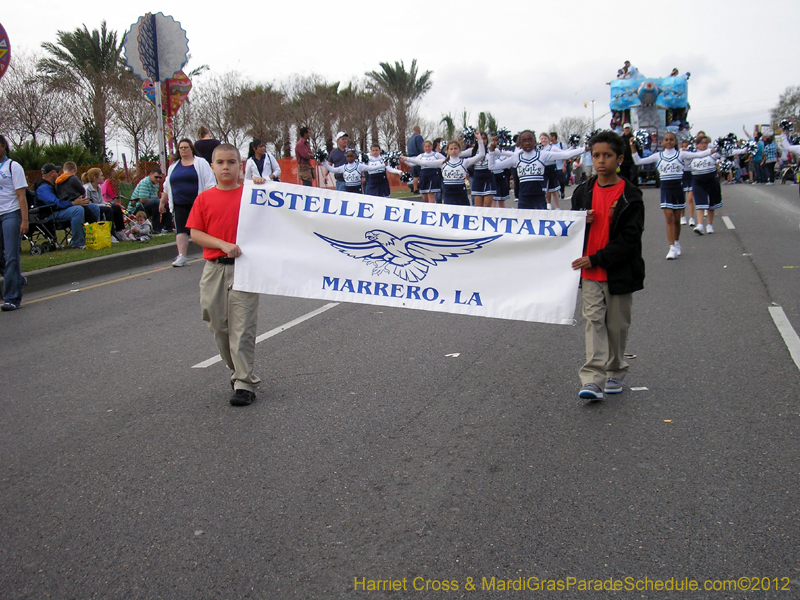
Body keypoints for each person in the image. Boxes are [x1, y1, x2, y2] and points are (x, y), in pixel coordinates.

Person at [571, 130, 645, 400]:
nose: (601, 161)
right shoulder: (583, 191)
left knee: (616, 325)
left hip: (619, 272)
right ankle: (592, 379)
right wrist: (581, 220)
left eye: (607, 155)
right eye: (596, 155)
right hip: (590, 273)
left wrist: (597, 258)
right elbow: (570, 226)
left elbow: (629, 239)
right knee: (593, 322)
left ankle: (615, 371)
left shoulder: (630, 195)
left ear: (620, 159)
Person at [186, 143, 261, 406]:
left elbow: (278, 213)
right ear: (212, 167)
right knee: (217, 325)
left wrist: (264, 187)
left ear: (241, 166)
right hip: (215, 269)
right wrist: (221, 244)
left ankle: (244, 382)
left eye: (231, 162)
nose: (226, 167)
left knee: (242, 328)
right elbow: (195, 233)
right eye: (220, 162)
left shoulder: (253, 194)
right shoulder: (204, 198)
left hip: (245, 270)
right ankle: (236, 370)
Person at [631, 131, 712, 259]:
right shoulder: (658, 156)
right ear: (663, 142)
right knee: (668, 218)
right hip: (665, 189)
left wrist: (712, 151)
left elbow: (698, 154)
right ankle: (672, 247)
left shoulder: (681, 154)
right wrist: (632, 146)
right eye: (666, 140)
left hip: (678, 188)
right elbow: (638, 161)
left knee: (676, 219)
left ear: (675, 142)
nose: (668, 142)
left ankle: (677, 242)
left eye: (671, 140)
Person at [488, 130, 583, 210]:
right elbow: (492, 166)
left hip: (540, 197)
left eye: (530, 140)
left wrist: (585, 148)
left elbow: (566, 155)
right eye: (524, 141)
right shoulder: (516, 158)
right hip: (524, 198)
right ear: (520, 143)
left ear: (535, 141)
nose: (527, 143)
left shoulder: (542, 155)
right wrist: (491, 151)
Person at [159, 139, 216, 267]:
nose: (183, 150)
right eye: (181, 148)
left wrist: (210, 200)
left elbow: (210, 182)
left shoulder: (200, 163)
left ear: (191, 148)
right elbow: (167, 186)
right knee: (181, 230)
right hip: (179, 203)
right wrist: (162, 202)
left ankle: (211, 253)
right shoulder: (174, 166)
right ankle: (182, 256)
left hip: (197, 203)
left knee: (203, 229)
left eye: (186, 147)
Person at [402, 137, 486, 206]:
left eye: (456, 149)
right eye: (451, 149)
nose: (453, 151)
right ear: (447, 150)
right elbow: (423, 162)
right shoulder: (443, 162)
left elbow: (481, 155)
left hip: (461, 191)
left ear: (459, 150)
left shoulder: (464, 162)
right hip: (448, 192)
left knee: (464, 211)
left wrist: (480, 140)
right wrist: (407, 159)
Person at [691, 136, 745, 234]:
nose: (704, 145)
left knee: (711, 204)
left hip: (711, 181)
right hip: (698, 182)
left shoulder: (712, 154)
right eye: (701, 142)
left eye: (706, 143)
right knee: (699, 204)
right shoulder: (692, 154)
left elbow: (729, 152)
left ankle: (710, 225)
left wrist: (744, 150)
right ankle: (700, 225)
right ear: (697, 144)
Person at [0, 134, 29, 311]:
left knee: (11, 255)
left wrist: (24, 220)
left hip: (11, 213)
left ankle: (11, 297)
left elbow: (21, 195)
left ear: (3, 147)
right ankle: (17, 279)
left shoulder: (13, 166)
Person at [33, 163, 86, 249]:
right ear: (52, 173)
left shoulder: (52, 185)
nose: (59, 174)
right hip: (48, 215)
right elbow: (56, 203)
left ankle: (95, 238)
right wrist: (73, 203)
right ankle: (78, 244)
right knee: (77, 210)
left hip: (56, 211)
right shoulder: (43, 188)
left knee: (91, 207)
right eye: (57, 172)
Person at [82, 168, 127, 242]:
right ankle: (110, 234)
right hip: (92, 209)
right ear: (95, 178)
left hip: (99, 205)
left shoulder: (99, 187)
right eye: (101, 175)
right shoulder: (87, 188)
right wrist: (103, 206)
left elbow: (100, 201)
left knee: (116, 207)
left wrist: (107, 203)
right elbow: (88, 203)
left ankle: (119, 231)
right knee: (108, 210)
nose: (103, 177)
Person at [131, 167, 172, 233]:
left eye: (160, 178)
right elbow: (142, 200)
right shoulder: (145, 183)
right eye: (156, 177)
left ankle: (167, 227)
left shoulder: (156, 184)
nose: (158, 179)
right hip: (137, 207)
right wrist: (158, 201)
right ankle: (156, 228)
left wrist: (162, 201)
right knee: (157, 202)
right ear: (150, 175)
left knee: (165, 203)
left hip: (150, 206)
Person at [406, 125, 425, 193]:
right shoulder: (418, 137)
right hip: (418, 157)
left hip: (411, 158)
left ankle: (415, 189)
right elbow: (421, 148)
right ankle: (423, 187)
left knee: (415, 175)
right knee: (421, 173)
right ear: (418, 130)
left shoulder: (409, 139)